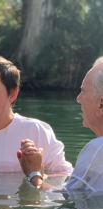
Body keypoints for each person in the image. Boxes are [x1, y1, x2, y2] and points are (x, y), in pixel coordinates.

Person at [19, 57, 103, 191]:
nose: (78, 99)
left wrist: (34, 174)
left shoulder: (97, 148)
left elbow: (64, 196)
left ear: (101, 104)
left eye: (83, 92)